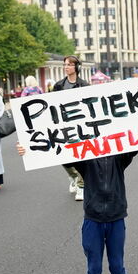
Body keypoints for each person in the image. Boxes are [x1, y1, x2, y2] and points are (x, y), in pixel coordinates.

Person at [17, 144, 138, 274]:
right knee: (94, 266)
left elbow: (136, 142)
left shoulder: (119, 158)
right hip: (92, 220)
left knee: (117, 265)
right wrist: (29, 148)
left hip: (116, 218)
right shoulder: (85, 159)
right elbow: (61, 153)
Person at [53, 56, 88, 201]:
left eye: (69, 65)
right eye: (65, 65)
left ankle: (81, 186)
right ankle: (73, 176)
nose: (66, 67)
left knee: (80, 155)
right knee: (64, 157)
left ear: (76, 68)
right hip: (63, 125)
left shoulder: (85, 85)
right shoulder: (58, 86)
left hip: (80, 126)